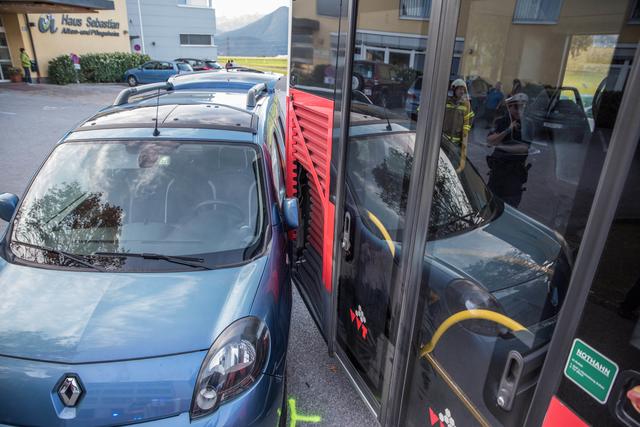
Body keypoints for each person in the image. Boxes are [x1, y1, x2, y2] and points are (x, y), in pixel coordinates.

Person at [486, 93, 531, 207]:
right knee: (490, 203)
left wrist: (501, 146)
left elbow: (523, 148)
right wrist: (507, 130)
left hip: (514, 174)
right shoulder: (502, 121)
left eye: (523, 107)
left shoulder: (528, 124)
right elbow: (490, 141)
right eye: (516, 107)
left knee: (510, 206)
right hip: (498, 171)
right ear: (510, 106)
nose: (519, 110)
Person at [442, 79, 474, 172]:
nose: (462, 91)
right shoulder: (445, 102)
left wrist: (465, 133)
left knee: (452, 165)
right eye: (459, 89)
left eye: (463, 89)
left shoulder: (466, 105)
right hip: (443, 139)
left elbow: (469, 119)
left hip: (456, 143)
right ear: (453, 90)